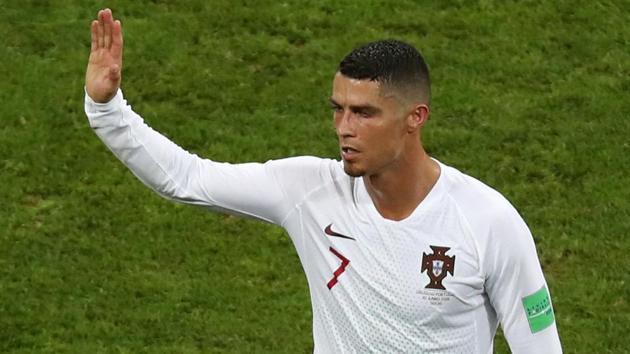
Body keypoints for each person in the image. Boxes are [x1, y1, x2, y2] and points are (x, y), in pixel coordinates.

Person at [84, 8, 562, 354]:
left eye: (364, 113)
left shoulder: (488, 222)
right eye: (339, 109)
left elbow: (539, 346)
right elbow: (187, 179)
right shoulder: (309, 191)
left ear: (415, 117)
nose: (344, 128)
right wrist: (107, 110)